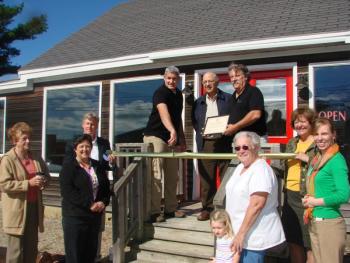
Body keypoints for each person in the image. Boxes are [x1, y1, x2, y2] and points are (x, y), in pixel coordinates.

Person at [225, 131, 285, 262]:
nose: (241, 151)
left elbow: (257, 205)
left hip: (252, 238)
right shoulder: (240, 167)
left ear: (256, 147)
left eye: (245, 147)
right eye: (237, 148)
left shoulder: (260, 170)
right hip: (237, 235)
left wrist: (241, 235)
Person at [0, 122, 50, 263]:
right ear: (15, 141)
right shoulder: (8, 159)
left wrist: (43, 181)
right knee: (15, 252)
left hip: (34, 207)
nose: (28, 141)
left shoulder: (35, 157)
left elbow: (47, 175)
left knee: (31, 249)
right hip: (16, 210)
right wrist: (28, 183)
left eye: (29, 138)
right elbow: (3, 184)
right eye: (24, 139)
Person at [302, 118, 349, 263]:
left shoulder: (336, 160)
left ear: (333, 135)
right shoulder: (317, 158)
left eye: (324, 134)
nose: (320, 138)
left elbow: (344, 194)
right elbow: (320, 187)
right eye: (316, 134)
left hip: (329, 224)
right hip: (314, 221)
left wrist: (315, 201)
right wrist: (308, 198)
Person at [143, 66, 186, 223]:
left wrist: (182, 138)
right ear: (164, 78)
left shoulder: (179, 95)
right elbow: (164, 113)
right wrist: (172, 131)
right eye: (168, 78)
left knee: (172, 175)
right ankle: (155, 211)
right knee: (156, 174)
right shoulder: (160, 93)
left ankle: (170, 209)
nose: (171, 81)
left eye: (174, 79)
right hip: (155, 136)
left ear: (178, 79)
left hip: (172, 138)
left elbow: (177, 118)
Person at [59, 134, 110, 263]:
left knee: (90, 255)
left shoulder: (97, 165)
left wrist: (103, 202)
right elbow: (68, 192)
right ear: (75, 149)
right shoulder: (69, 167)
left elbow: (106, 188)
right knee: (75, 256)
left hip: (94, 218)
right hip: (75, 218)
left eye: (88, 146)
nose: (84, 149)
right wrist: (89, 204)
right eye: (81, 146)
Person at [192, 72, 232, 221]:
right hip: (206, 143)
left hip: (224, 141)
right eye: (204, 82)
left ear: (217, 82)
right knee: (206, 178)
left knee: (226, 177)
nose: (207, 84)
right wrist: (202, 132)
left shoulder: (228, 99)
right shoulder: (198, 102)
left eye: (210, 81)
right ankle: (207, 208)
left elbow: (233, 118)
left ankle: (226, 208)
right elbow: (195, 122)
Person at [281, 107, 316, 263]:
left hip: (308, 196)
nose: (299, 125)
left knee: (310, 243)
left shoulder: (318, 142)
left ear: (311, 123)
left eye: (303, 122)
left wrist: (308, 159)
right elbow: (284, 166)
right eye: (296, 122)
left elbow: (326, 165)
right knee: (294, 240)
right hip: (290, 196)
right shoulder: (292, 142)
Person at [224, 63, 267, 140]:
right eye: (231, 77)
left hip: (253, 139)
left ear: (246, 77)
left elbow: (255, 114)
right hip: (238, 140)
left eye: (237, 76)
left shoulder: (253, 92)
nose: (234, 79)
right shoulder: (232, 98)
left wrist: (235, 127)